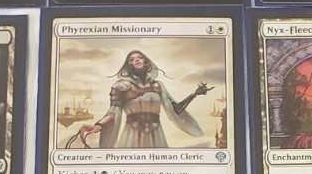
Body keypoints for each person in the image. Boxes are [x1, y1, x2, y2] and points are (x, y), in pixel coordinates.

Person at [72, 51, 211, 149]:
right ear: (129, 66)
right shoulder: (120, 86)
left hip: (156, 133)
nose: (136, 60)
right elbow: (114, 112)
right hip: (132, 134)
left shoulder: (158, 85)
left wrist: (194, 94)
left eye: (140, 57)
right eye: (131, 59)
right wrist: (99, 126)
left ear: (146, 62)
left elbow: (175, 109)